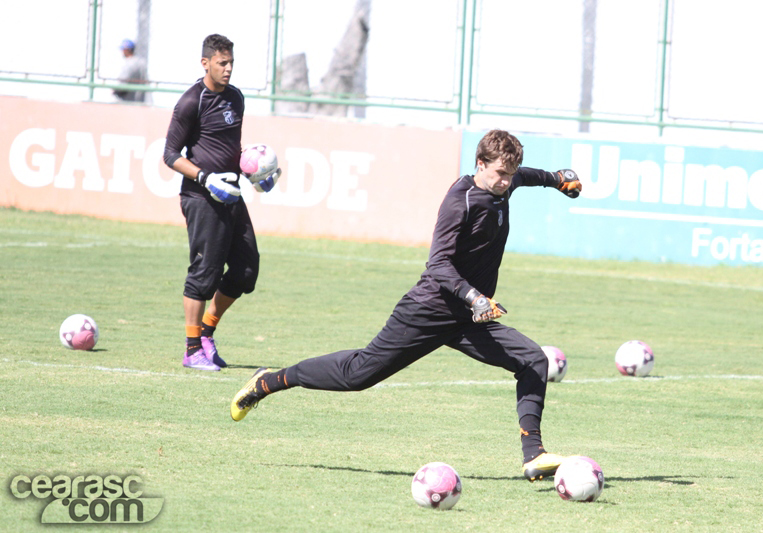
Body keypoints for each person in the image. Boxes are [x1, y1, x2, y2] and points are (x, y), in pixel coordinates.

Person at [230, 129, 582, 481]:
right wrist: (474, 297)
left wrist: (557, 180)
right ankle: (270, 381)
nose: (507, 181)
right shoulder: (462, 201)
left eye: (510, 174)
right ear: (480, 164)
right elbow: (438, 264)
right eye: (500, 174)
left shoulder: (505, 179)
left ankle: (534, 455)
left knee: (533, 359)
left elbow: (527, 176)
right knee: (358, 375)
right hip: (430, 309)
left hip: (469, 318)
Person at [163, 34, 280, 371]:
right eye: (221, 63)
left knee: (246, 271)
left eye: (231, 63)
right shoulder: (191, 102)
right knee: (204, 274)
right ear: (206, 63)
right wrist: (205, 177)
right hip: (202, 197)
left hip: (232, 194)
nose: (228, 69)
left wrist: (256, 172)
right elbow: (170, 155)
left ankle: (206, 333)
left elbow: (229, 146)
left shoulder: (236, 98)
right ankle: (191, 350)